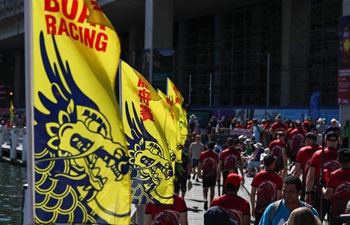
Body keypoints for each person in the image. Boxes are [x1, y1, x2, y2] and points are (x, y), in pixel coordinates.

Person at [305, 131, 340, 222]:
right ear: (338, 141)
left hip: (321, 194)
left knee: (316, 221)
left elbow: (310, 176)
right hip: (338, 197)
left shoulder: (318, 154)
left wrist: (308, 192)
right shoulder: (343, 156)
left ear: (325, 141)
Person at [250, 154, 283, 225]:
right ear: (273, 164)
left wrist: (253, 208)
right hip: (272, 210)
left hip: (259, 209)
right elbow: (279, 197)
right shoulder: (278, 178)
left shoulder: (257, 176)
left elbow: (252, 194)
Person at [322, 148, 350, 225]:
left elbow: (327, 195)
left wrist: (322, 187)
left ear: (338, 161)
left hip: (336, 212)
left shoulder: (334, 175)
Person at [293, 132, 321, 201]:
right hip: (320, 187)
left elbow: (297, 171)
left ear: (307, 141)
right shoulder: (322, 150)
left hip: (306, 186)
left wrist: (295, 185)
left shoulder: (302, 151)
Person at [198, 142, 219, 210]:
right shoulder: (215, 155)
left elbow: (200, 164)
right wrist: (218, 175)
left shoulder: (203, 154)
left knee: (205, 189)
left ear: (207, 146)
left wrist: (199, 173)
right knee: (212, 189)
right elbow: (217, 166)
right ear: (213, 148)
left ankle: (205, 199)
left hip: (205, 174)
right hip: (213, 174)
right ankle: (211, 203)